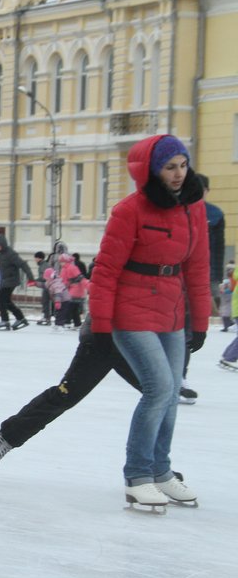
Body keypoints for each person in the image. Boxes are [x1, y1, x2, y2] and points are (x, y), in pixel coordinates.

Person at [88, 134, 209, 509]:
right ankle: (138, 474)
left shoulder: (193, 208)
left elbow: (199, 266)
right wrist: (102, 323)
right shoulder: (131, 210)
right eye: (169, 167)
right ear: (152, 170)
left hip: (171, 311)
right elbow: (106, 271)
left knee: (171, 393)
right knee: (158, 388)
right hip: (130, 311)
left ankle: (161, 471)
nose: (177, 174)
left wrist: (200, 320)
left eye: (182, 165)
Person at [0, 314, 141, 470]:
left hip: (145, 337)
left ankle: (152, 468)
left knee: (162, 396)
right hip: (104, 336)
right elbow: (101, 292)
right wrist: (101, 332)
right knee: (66, 394)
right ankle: (7, 437)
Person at [0, 233, 35, 331]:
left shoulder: (11, 254)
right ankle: (20, 318)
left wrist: (30, 278)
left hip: (12, 280)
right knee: (5, 301)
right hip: (4, 281)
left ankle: (5, 320)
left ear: (3, 244)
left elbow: (23, 265)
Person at [198, 175, 225, 312]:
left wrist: (217, 277)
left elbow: (218, 249)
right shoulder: (178, 209)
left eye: (201, 189)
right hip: (183, 271)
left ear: (207, 191)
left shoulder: (215, 214)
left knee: (211, 310)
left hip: (209, 271)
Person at [34, 251, 52, 325]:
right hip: (48, 285)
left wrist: (36, 280)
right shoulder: (43, 265)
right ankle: (46, 317)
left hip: (48, 285)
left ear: (39, 258)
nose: (35, 259)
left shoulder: (43, 265)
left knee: (45, 301)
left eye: (35, 258)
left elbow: (44, 277)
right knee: (45, 301)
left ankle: (46, 318)